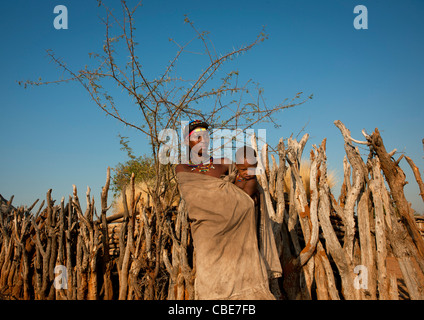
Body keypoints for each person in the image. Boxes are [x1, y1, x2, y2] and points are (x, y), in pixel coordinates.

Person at [175, 120, 281, 300]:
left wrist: (242, 186)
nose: (203, 140)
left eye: (206, 136)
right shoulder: (183, 169)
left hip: (238, 231)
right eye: (197, 137)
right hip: (207, 234)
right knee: (210, 282)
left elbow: (245, 181)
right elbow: (195, 199)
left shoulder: (222, 163)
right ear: (187, 142)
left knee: (245, 281)